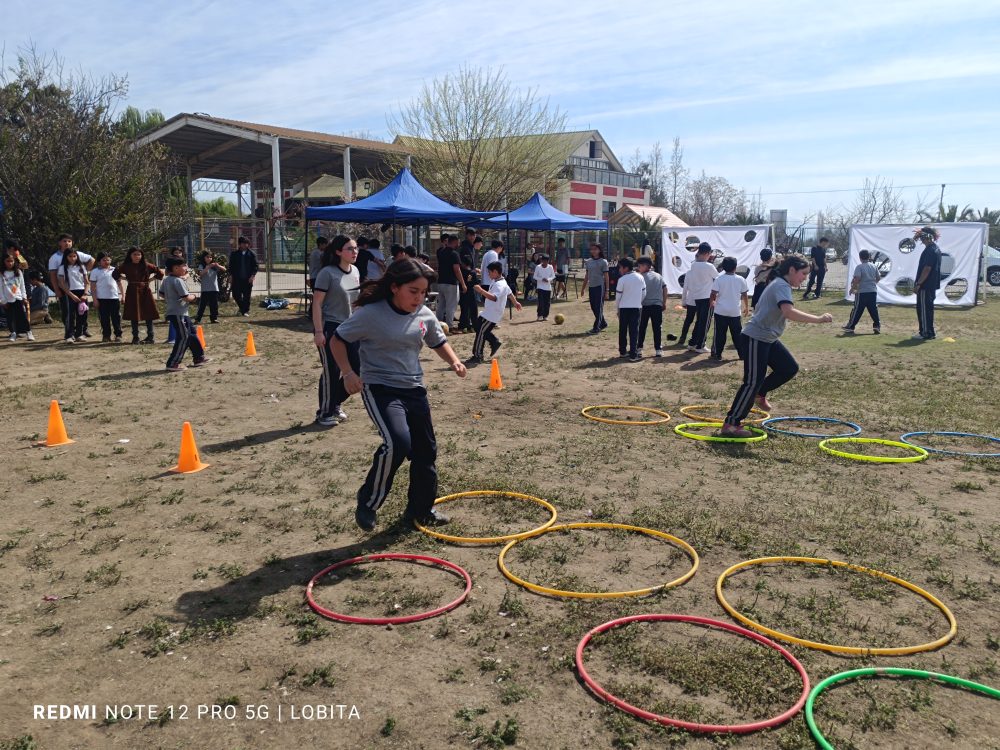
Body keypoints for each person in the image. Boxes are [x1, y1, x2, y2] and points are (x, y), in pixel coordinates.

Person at [330, 259, 467, 531]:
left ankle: (421, 510)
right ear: (394, 287)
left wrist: (454, 361)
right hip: (380, 388)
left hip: (414, 389)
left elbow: (438, 342)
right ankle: (368, 501)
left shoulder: (424, 315)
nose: (419, 298)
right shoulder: (370, 314)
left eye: (423, 292)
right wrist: (347, 373)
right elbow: (338, 339)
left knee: (425, 451)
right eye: (413, 291)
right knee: (398, 443)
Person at [720, 257, 833, 437]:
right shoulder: (781, 285)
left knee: (788, 368)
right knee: (752, 382)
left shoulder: (780, 283)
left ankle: (760, 393)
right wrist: (818, 319)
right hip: (756, 337)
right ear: (792, 271)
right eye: (803, 274)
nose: (804, 278)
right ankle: (731, 425)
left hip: (768, 338)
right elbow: (788, 312)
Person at [312, 235, 361, 427]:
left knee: (357, 369)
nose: (354, 252)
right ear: (339, 251)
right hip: (330, 326)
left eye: (356, 248)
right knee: (332, 370)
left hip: (351, 328)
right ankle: (324, 412)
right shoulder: (328, 273)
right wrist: (318, 331)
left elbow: (355, 301)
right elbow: (317, 302)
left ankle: (335, 403)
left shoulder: (355, 270)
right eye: (350, 249)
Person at [468, 261, 522, 364]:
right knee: (477, 326)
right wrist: (515, 302)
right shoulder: (498, 281)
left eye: (489, 272)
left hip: (493, 314)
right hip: (488, 312)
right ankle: (494, 341)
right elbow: (509, 292)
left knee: (481, 332)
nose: (488, 274)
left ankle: (478, 355)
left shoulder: (500, 285)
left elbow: (494, 298)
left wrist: (481, 291)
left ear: (496, 272)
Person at [162, 257, 209, 372]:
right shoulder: (178, 280)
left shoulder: (167, 279)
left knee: (192, 334)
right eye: (184, 266)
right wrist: (194, 297)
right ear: (176, 268)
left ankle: (199, 358)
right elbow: (186, 297)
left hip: (181, 312)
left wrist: (172, 299)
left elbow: (162, 294)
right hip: (178, 313)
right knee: (184, 337)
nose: (186, 268)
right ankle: (173, 363)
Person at [48, 234, 94, 334]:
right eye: (64, 241)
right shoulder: (55, 258)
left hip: (80, 288)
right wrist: (56, 289)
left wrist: (85, 272)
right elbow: (53, 275)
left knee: (82, 309)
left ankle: (82, 330)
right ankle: (70, 332)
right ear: (59, 243)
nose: (67, 243)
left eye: (69, 241)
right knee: (68, 311)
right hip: (65, 289)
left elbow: (92, 260)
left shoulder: (77, 254)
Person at [118, 246, 163, 344]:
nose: (137, 256)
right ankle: (135, 337)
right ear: (130, 255)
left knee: (149, 314)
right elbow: (115, 273)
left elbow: (160, 273)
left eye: (139, 254)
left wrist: (150, 280)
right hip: (132, 292)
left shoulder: (147, 265)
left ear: (142, 255)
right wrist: (125, 279)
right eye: (134, 254)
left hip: (145, 291)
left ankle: (150, 337)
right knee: (134, 315)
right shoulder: (126, 266)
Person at [709, 256, 749, 361]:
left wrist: (712, 302)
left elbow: (713, 293)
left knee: (720, 334)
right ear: (735, 267)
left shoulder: (719, 279)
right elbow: (744, 294)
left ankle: (718, 354)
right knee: (737, 334)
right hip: (735, 312)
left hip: (720, 311)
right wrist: (747, 307)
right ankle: (742, 355)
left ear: (723, 267)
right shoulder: (741, 279)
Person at [686, 243, 719, 354]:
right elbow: (718, 279)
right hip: (707, 297)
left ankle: (692, 343)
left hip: (697, 297)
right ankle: (700, 345)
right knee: (705, 323)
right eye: (709, 254)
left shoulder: (694, 265)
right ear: (706, 253)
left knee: (699, 321)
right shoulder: (708, 266)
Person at [842, 249, 881, 335]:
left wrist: (852, 288)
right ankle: (877, 326)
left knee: (857, 309)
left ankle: (851, 326)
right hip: (872, 291)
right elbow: (878, 278)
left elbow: (857, 278)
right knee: (873, 309)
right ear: (869, 257)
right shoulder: (874, 266)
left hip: (862, 292)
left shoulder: (859, 267)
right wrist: (872, 284)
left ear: (860, 258)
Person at [913, 226, 941, 340]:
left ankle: (926, 333)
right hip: (929, 285)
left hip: (926, 285)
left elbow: (927, 269)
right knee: (926, 309)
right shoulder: (934, 248)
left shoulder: (930, 250)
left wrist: (919, 284)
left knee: (924, 309)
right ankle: (927, 331)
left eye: (922, 237)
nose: (921, 240)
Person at [56, 249, 90, 343]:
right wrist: (71, 295)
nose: (72, 258)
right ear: (66, 257)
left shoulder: (81, 267)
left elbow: (87, 282)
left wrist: (85, 294)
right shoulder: (63, 268)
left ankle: (79, 334)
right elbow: (61, 284)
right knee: (70, 315)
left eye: (74, 256)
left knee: (82, 314)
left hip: (82, 292)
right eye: (70, 256)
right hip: (69, 293)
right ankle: (69, 335)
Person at [615, 257, 646, 361]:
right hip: (636, 307)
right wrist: (638, 301)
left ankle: (623, 352)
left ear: (626, 268)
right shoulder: (640, 277)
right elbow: (644, 293)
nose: (619, 270)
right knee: (634, 331)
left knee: (622, 330)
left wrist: (618, 309)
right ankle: (633, 354)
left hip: (623, 308)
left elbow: (618, 297)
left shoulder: (622, 279)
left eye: (620, 268)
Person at [89, 252, 125, 343]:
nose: (106, 262)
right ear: (99, 261)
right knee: (104, 318)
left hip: (114, 298)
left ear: (111, 260)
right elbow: (92, 287)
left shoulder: (115, 270)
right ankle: (106, 335)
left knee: (116, 317)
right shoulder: (95, 271)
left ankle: (118, 335)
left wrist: (123, 295)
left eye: (108, 260)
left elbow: (119, 283)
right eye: (104, 260)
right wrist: (95, 299)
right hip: (102, 299)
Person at [636, 256, 667, 357]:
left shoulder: (640, 277)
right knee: (657, 327)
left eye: (639, 266)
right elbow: (665, 288)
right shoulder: (658, 276)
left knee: (642, 327)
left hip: (644, 305)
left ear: (646, 266)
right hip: (657, 305)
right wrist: (664, 302)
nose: (638, 267)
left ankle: (639, 348)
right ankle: (658, 349)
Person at [1, 253, 33, 342]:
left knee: (22, 316)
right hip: (7, 299)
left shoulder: (18, 272)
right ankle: (13, 333)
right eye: (8, 261)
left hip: (18, 297)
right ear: (4, 262)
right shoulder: (2, 273)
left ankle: (28, 332)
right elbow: (0, 288)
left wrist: (24, 297)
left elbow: (22, 286)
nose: (10, 263)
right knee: (10, 317)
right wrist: (3, 300)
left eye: (11, 261)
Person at [435, 233, 463, 328]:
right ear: (455, 242)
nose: (458, 244)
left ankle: (437, 324)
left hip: (441, 281)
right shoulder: (454, 254)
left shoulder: (441, 252)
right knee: (451, 306)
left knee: (441, 305)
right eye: (458, 242)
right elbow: (457, 269)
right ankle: (449, 326)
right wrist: (463, 283)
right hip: (451, 283)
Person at [228, 236, 258, 317]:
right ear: (240, 244)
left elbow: (255, 266)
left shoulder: (251, 254)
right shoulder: (234, 254)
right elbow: (230, 266)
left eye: (247, 243)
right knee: (235, 295)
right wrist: (230, 276)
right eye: (244, 243)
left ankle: (246, 311)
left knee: (246, 296)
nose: (245, 245)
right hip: (237, 278)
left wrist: (252, 276)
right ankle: (242, 308)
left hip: (247, 279)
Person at [583, 243, 609, 334]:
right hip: (591, 287)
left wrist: (607, 291)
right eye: (592, 249)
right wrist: (583, 288)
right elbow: (587, 275)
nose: (593, 251)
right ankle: (603, 323)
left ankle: (596, 328)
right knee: (593, 307)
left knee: (598, 307)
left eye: (595, 249)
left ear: (599, 250)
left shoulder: (603, 262)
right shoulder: (588, 261)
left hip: (600, 287)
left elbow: (606, 276)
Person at [194, 251, 225, 324]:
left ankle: (214, 318)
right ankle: (198, 319)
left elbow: (224, 269)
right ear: (204, 258)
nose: (209, 259)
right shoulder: (202, 265)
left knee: (214, 305)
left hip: (214, 288)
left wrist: (218, 266)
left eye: (210, 257)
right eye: (207, 257)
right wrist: (208, 267)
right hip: (205, 289)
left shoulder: (214, 266)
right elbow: (201, 274)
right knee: (202, 305)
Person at [457, 236, 480, 333]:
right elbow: (476, 283)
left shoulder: (462, 272)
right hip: (471, 291)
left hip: (463, 290)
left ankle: (463, 325)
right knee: (473, 308)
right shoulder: (473, 272)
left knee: (464, 308)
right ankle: (474, 325)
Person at [533, 254, 556, 321]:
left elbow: (553, 276)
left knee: (547, 302)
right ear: (542, 260)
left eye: (546, 261)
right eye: (544, 261)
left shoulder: (550, 267)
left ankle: (545, 315)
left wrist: (548, 279)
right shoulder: (538, 267)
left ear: (548, 261)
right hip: (540, 287)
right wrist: (541, 279)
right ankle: (539, 315)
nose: (545, 262)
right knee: (541, 302)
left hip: (548, 288)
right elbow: (535, 276)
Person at [676, 273, 697, 346]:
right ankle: (693, 339)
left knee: (688, 320)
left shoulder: (689, 274)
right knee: (698, 321)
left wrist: (684, 302)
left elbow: (684, 290)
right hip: (700, 301)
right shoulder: (704, 272)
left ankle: (683, 338)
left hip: (691, 301)